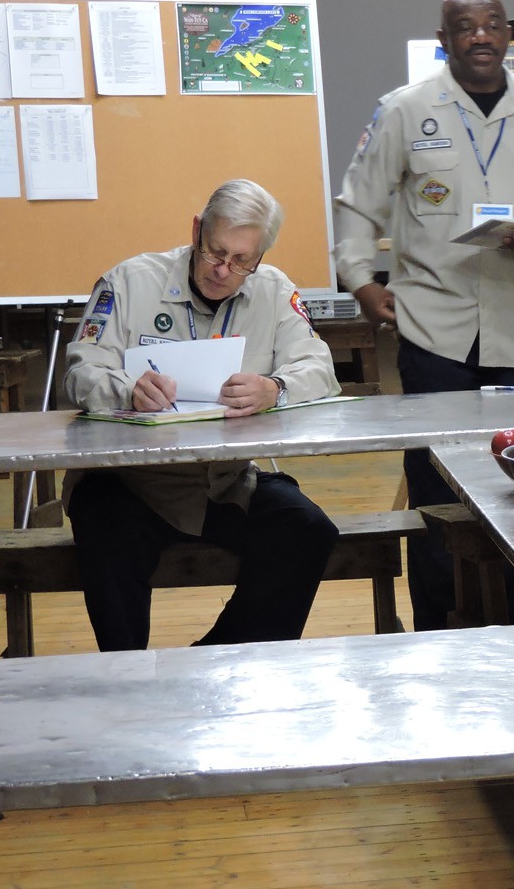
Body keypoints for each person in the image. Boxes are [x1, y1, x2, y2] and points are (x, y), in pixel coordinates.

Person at [334, 0, 514, 631]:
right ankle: (439, 633)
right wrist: (360, 281)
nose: (480, 36)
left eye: (492, 23)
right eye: (465, 26)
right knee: (437, 489)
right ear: (444, 38)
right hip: (434, 330)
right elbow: (359, 203)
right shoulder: (404, 109)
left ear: (508, 34)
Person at [63, 179, 341, 653]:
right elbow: (79, 372)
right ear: (197, 231)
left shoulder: (274, 291)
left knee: (307, 529)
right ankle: (127, 676)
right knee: (105, 530)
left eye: (242, 261)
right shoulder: (128, 283)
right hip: (132, 482)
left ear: (260, 256)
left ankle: (218, 662)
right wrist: (127, 390)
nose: (223, 270)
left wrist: (275, 388)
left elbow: (320, 369)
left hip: (224, 481)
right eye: (215, 252)